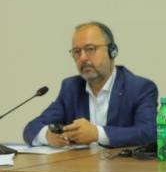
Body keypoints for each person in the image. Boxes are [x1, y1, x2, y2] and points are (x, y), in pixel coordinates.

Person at [23, 22, 158, 148]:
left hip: (122, 166)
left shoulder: (139, 88)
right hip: (81, 165)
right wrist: (47, 136)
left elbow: (149, 133)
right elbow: (31, 129)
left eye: (90, 49)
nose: (82, 58)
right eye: (77, 51)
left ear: (112, 51)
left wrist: (97, 134)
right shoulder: (71, 88)